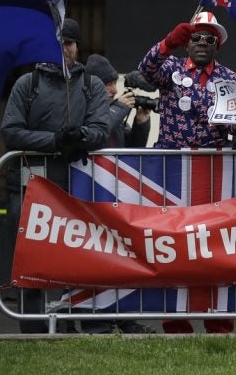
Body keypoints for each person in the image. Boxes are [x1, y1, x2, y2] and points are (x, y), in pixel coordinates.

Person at [137, 11, 236, 334]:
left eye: (209, 38)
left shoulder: (230, 78)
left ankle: (217, 318)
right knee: (172, 243)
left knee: (214, 245)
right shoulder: (171, 69)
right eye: (196, 37)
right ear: (187, 42)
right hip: (173, 169)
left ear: (217, 45)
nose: (202, 43)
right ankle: (175, 319)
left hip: (213, 168)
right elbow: (145, 70)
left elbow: (233, 122)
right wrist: (167, 43)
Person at [0, 18, 110, 333]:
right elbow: (11, 131)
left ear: (78, 47)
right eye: (59, 42)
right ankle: (33, 329)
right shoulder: (27, 83)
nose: (64, 49)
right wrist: (55, 142)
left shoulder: (92, 85)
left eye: (69, 43)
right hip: (31, 187)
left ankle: (75, 326)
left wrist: (80, 137)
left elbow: (101, 129)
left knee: (81, 260)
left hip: (78, 189)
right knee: (31, 262)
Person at [82, 54, 155, 334]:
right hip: (92, 199)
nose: (114, 89)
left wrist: (141, 121)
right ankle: (95, 322)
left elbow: (130, 148)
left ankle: (124, 317)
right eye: (107, 83)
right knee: (97, 261)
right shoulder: (88, 108)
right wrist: (118, 111)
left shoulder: (112, 109)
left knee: (122, 260)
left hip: (117, 199)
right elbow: (95, 137)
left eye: (114, 82)